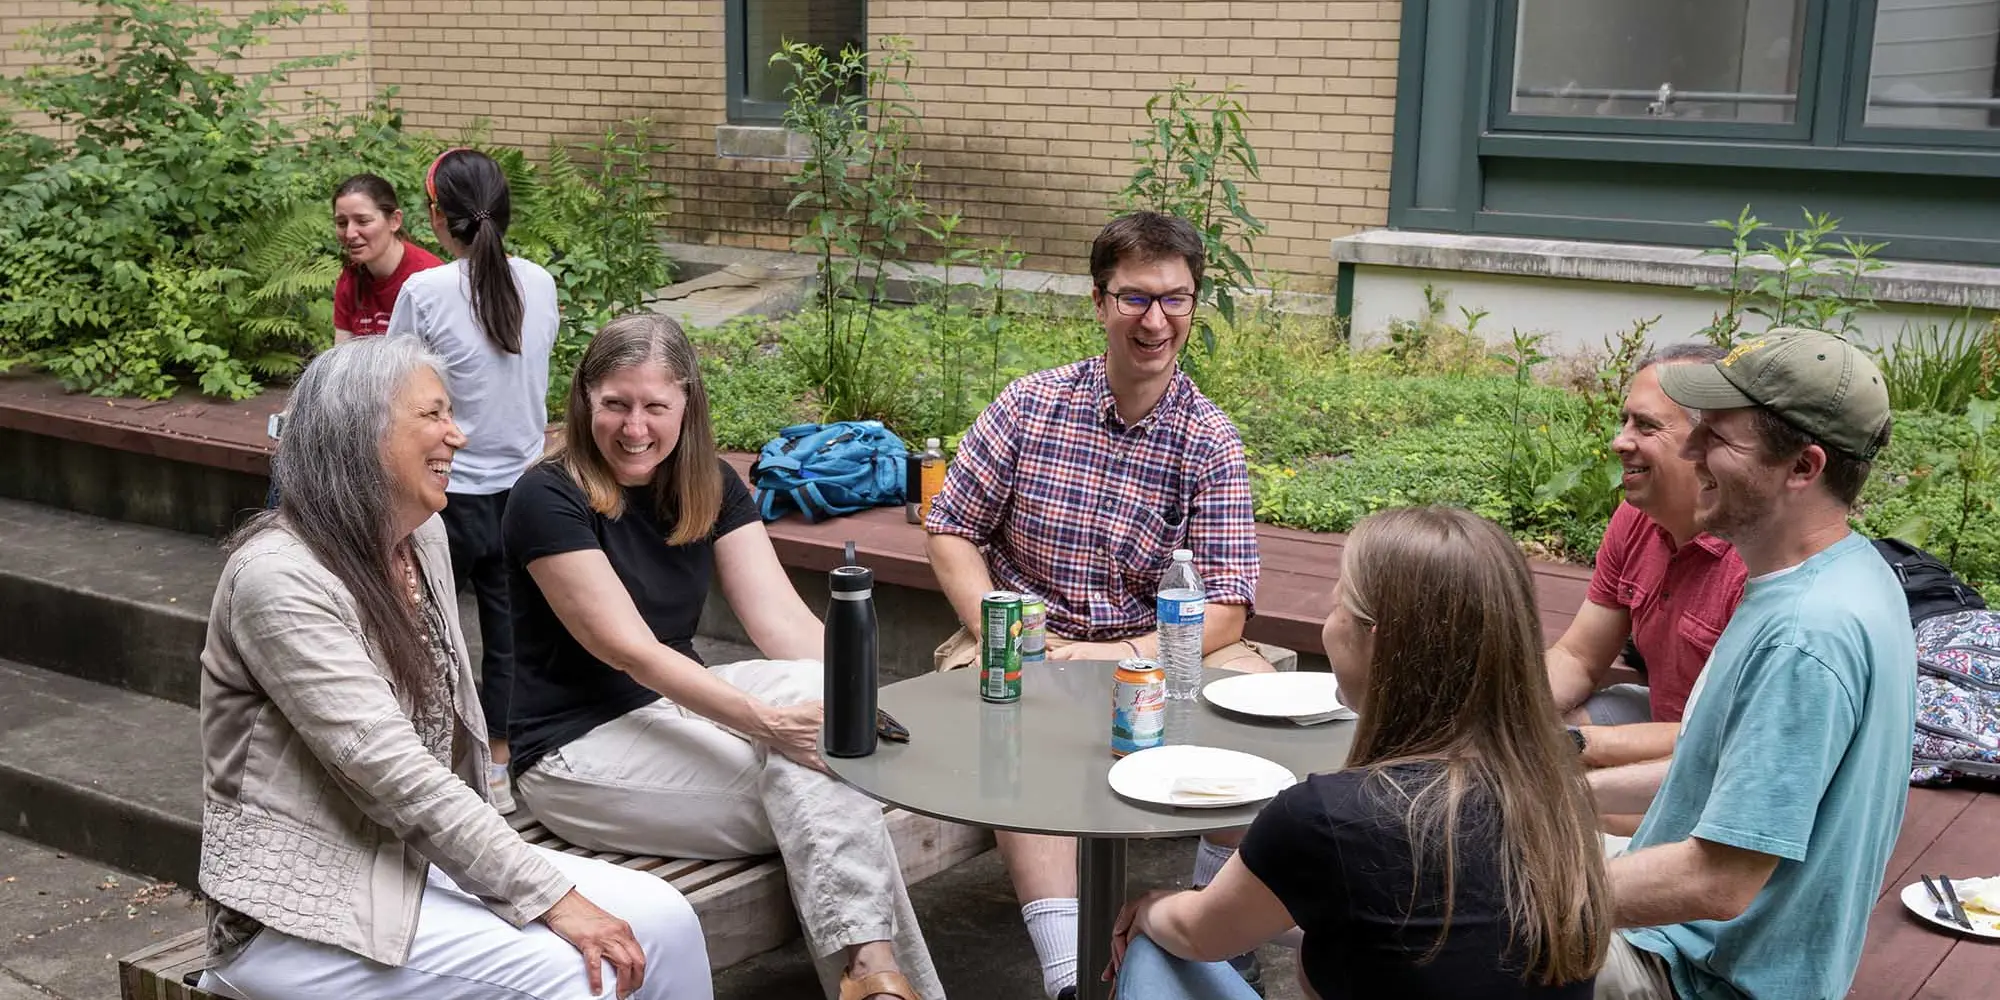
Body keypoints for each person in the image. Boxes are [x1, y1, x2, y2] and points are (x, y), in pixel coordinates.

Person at [196, 337, 710, 1000]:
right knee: (580, 974)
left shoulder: (418, 537)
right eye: (433, 416)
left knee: (667, 917)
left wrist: (532, 883)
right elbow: (397, 776)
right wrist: (552, 899)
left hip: (413, 863)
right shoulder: (279, 579)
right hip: (301, 910)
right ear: (360, 436)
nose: (457, 436)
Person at [502, 313, 940, 1000]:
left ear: (688, 404)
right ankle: (874, 972)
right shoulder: (546, 496)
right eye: (615, 404)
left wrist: (874, 705)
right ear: (585, 399)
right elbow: (630, 651)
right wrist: (767, 724)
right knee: (828, 778)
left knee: (824, 716)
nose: (634, 427)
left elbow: (783, 624)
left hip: (679, 705)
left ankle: (873, 979)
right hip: (575, 750)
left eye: (655, 406)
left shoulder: (708, 483)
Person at [924, 211, 1272, 999]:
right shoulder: (1029, 405)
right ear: (1098, 301)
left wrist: (1120, 655)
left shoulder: (1209, 438)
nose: (1157, 321)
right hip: (1026, 631)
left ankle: (1219, 930)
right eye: (1136, 298)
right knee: (1006, 720)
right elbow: (949, 530)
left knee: (1252, 718)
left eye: (1177, 300)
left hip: (1152, 642)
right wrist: (999, 627)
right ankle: (1070, 977)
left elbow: (1225, 608)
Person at [1106, 506, 1611, 999]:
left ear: (1377, 641)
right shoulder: (1553, 795)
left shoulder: (1332, 818)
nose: (1329, 625)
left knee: (1154, 946)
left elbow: (1197, 934)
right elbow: (1421, 938)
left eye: (1336, 607)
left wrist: (1151, 906)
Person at [1587, 329, 1915, 1000]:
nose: (1689, 449)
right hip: (1688, 946)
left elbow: (1720, 881)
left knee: (1395, 907)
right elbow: (1719, 781)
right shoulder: (1843, 575)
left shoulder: (1805, 636)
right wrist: (1551, 795)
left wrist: (1516, 888)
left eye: (1719, 439)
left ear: (1803, 467)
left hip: (1693, 976)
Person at [388, 146, 559, 813]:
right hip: (524, 493)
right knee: (509, 636)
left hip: (444, 494)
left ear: (437, 216)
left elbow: (394, 390)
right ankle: (498, 768)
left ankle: (421, 759)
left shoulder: (423, 292)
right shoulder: (540, 283)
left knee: (420, 626)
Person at [1545, 343, 1747, 775]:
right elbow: (1579, 657)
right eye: (1624, 422)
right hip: (1658, 719)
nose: (1620, 442)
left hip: (1722, 757)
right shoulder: (1635, 519)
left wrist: (1569, 745)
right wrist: (1498, 716)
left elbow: (1731, 738)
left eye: (1646, 426)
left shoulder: (1757, 558)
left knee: (1543, 783)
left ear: (1709, 441)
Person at [332, 173, 444, 344]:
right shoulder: (350, 278)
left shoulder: (431, 278)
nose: (349, 234)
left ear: (394, 221)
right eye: (341, 223)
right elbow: (341, 356)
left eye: (362, 221)